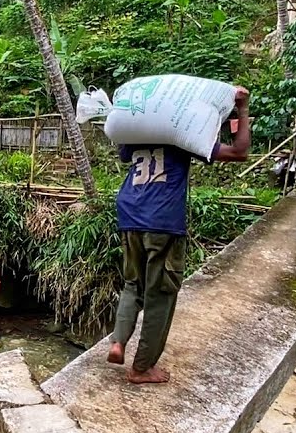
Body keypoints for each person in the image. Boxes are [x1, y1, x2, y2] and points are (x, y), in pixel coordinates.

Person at [107, 86, 252, 384]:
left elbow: (123, 153)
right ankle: (142, 368)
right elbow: (239, 152)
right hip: (161, 221)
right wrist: (242, 110)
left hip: (129, 213)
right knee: (160, 293)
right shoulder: (183, 132)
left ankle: (118, 342)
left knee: (133, 284)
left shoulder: (137, 134)